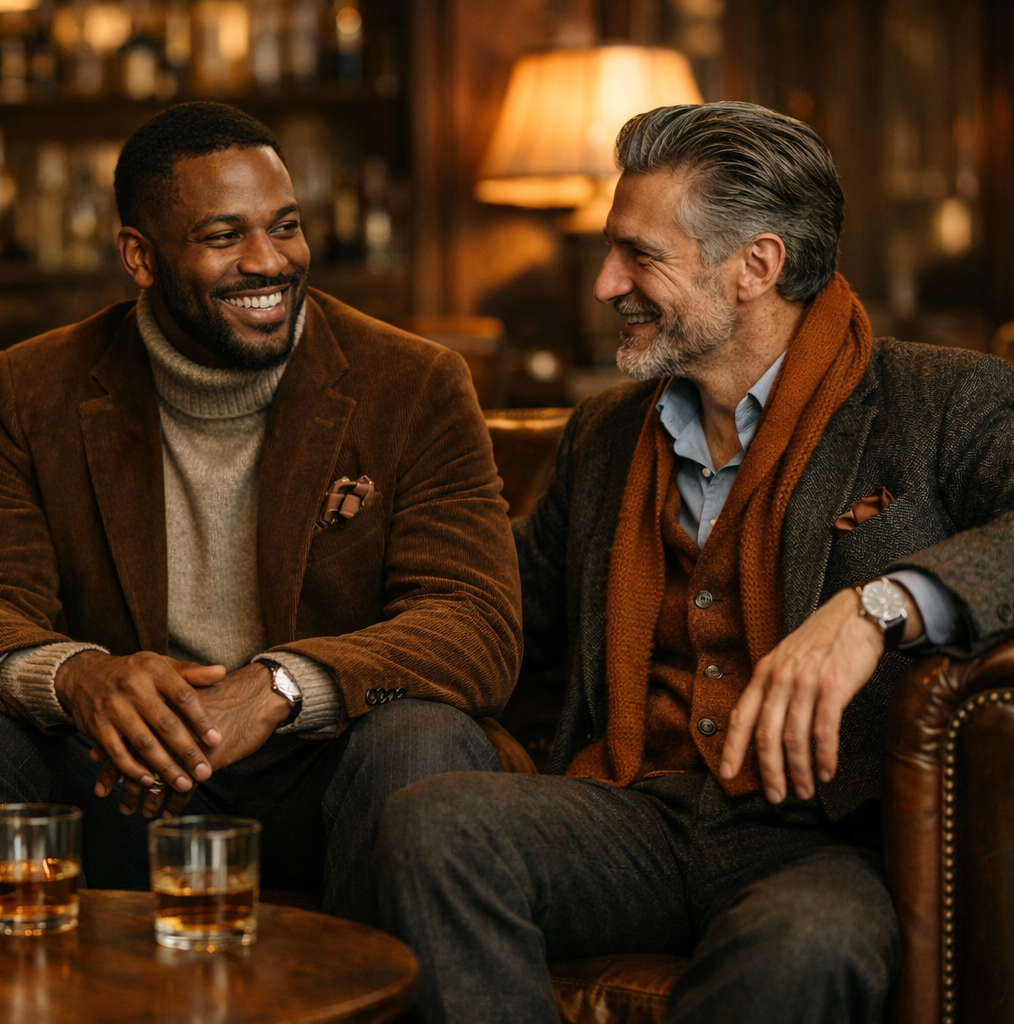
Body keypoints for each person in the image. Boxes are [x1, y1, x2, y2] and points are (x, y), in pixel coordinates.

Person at [375, 101, 1014, 1023]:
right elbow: (503, 604)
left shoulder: (940, 399)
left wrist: (877, 607)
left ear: (757, 266)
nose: (604, 284)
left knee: (810, 944)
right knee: (431, 825)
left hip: (829, 841)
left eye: (641, 254)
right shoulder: (604, 434)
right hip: (636, 808)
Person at [0, 101, 522, 922]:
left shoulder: (415, 383)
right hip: (125, 781)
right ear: (139, 257)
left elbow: (475, 624)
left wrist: (280, 686)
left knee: (426, 738)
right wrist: (80, 678)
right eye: (224, 238)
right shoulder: (37, 386)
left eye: (284, 227)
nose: (269, 262)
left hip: (319, 776)